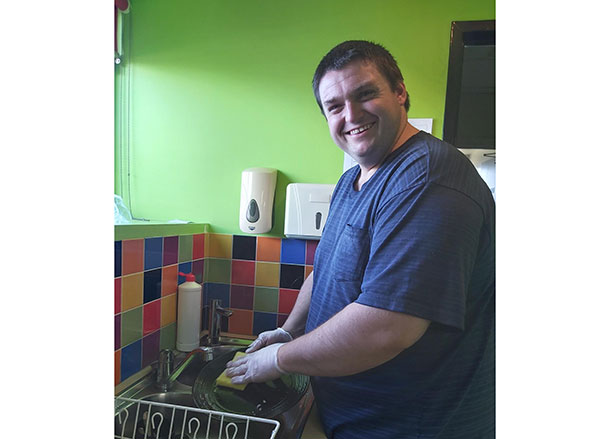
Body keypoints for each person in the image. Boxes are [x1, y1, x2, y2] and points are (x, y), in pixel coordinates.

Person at [225, 40, 495, 439]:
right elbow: (328, 269)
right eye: (335, 106)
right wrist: (290, 330)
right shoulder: (353, 179)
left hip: (413, 426)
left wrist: (279, 359)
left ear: (400, 92)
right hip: (353, 416)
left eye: (365, 94)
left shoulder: (427, 180)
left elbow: (387, 327)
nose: (351, 115)